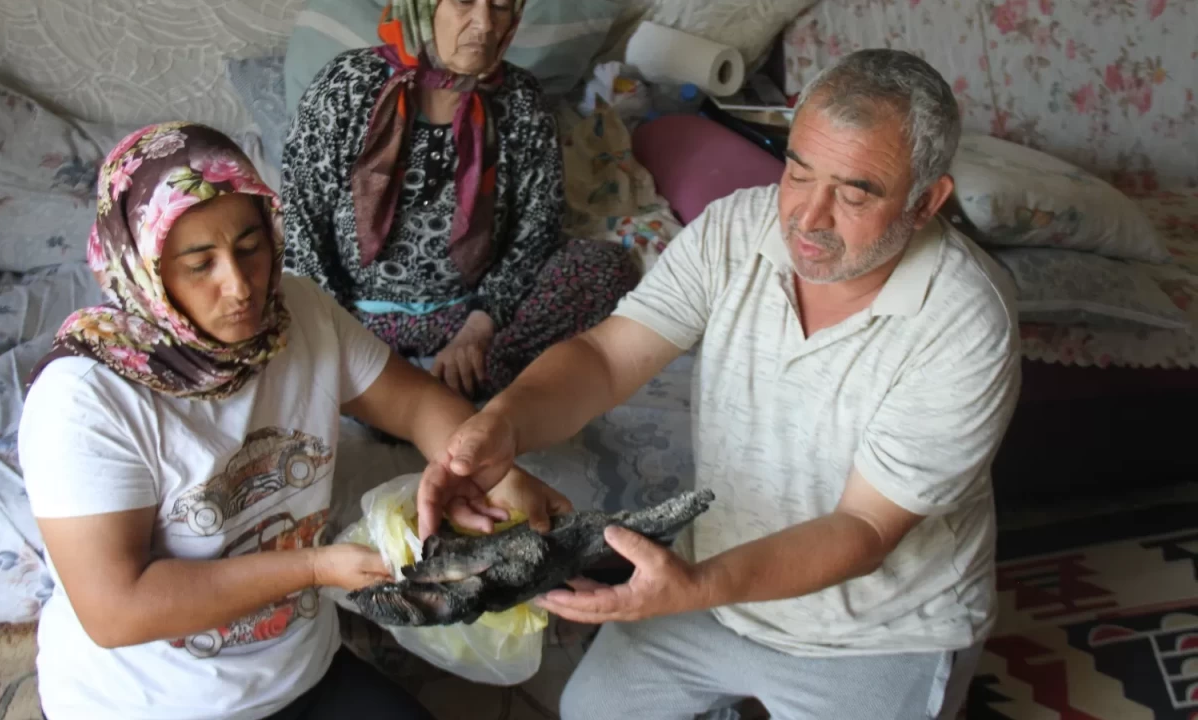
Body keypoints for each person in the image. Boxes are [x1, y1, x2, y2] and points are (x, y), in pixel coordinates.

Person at [417, 49, 1023, 719]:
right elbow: (607, 358)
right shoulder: (738, 228)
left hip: (877, 632)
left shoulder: (965, 320)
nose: (808, 218)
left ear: (927, 201)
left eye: (853, 195)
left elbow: (864, 528)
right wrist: (501, 424)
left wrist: (695, 585)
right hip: (713, 592)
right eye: (798, 172)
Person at [18, 122, 569, 720]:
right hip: (146, 705)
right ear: (142, 268)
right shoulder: (85, 399)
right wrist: (313, 568)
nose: (240, 287)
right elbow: (116, 610)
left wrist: (494, 472)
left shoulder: (299, 314)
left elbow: (414, 404)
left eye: (250, 247)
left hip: (299, 671)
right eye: (200, 264)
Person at [281, 0, 639, 400]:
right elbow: (302, 226)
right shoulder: (345, 86)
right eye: (464, 1)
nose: (484, 23)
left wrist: (477, 330)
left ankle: (456, 375)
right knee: (267, 301)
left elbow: (537, 229)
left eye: (500, 5)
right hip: (359, 318)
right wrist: (341, 336)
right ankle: (406, 386)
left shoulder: (521, 100)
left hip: (472, 315)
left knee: (607, 268)